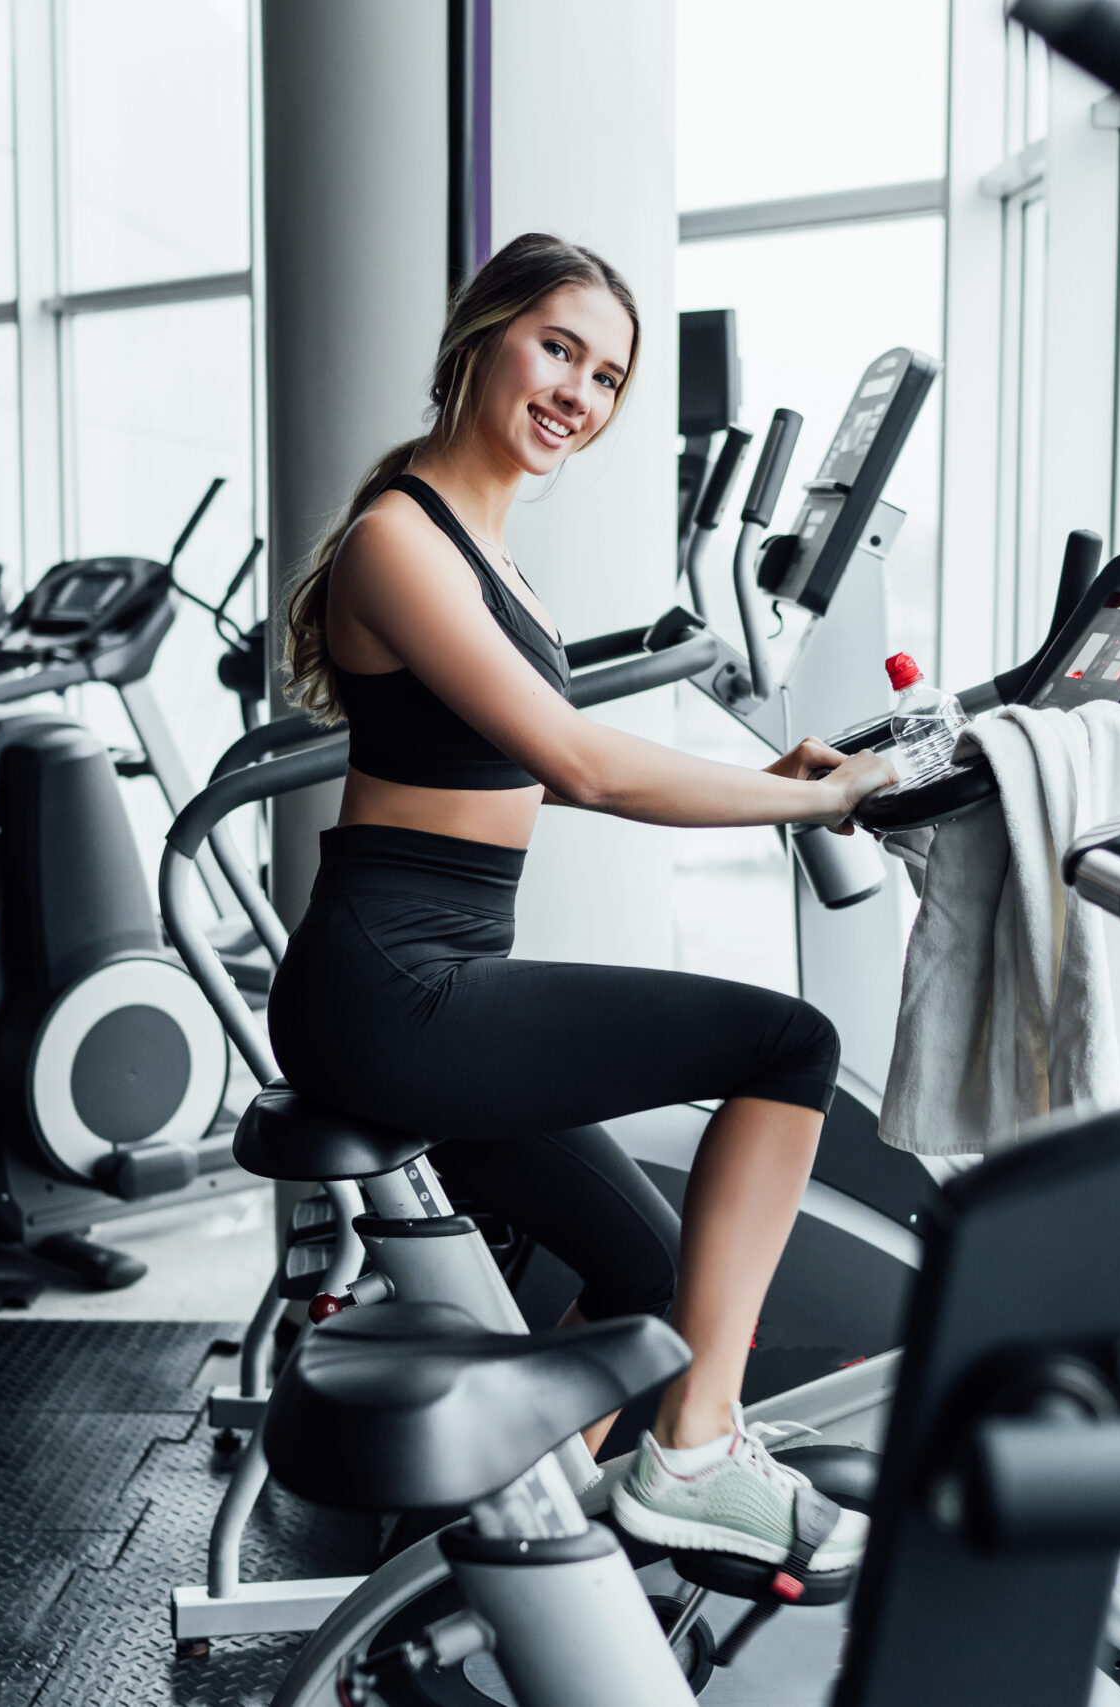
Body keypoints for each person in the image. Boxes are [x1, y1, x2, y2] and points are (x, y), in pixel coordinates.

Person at [267, 233, 895, 1574]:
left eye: (606, 377)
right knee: (789, 1045)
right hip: (394, 986)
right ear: (480, 338)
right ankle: (698, 1446)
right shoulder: (400, 540)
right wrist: (822, 803)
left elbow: (508, 769)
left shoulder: (484, 553)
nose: (580, 394)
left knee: (649, 1274)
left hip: (415, 975)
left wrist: (765, 777)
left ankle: (490, 1560)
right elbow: (579, 763)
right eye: (559, 349)